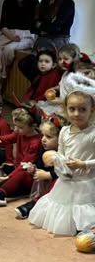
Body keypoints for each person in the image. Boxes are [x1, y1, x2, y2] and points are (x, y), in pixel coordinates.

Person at [29, 76, 95, 235]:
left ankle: (85, 227)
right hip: (67, 180)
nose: (77, 114)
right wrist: (57, 161)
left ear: (92, 110)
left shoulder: (93, 133)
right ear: (66, 109)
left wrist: (83, 164)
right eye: (72, 109)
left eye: (82, 109)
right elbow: (62, 154)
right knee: (63, 208)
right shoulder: (64, 131)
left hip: (86, 181)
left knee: (83, 210)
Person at [18, 0, 75, 81]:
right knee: (25, 64)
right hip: (41, 44)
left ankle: (43, 88)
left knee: (50, 73)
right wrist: (43, 26)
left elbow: (56, 28)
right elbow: (32, 26)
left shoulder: (67, 3)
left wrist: (41, 25)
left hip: (58, 46)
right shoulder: (42, 4)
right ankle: (40, 88)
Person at [0, 107, 42, 207]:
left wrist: (8, 177)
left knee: (20, 174)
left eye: (20, 127)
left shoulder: (36, 142)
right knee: (3, 173)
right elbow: (9, 138)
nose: (16, 129)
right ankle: (2, 190)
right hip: (17, 169)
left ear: (33, 126)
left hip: (29, 175)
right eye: (15, 126)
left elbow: (25, 165)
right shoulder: (20, 133)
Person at [14, 113, 66, 219]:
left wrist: (49, 175)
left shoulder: (64, 153)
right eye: (42, 135)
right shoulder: (43, 148)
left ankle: (33, 204)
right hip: (41, 183)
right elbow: (39, 165)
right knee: (22, 172)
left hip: (58, 188)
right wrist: (34, 169)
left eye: (49, 137)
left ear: (61, 139)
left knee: (59, 181)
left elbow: (66, 172)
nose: (43, 139)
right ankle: (0, 193)